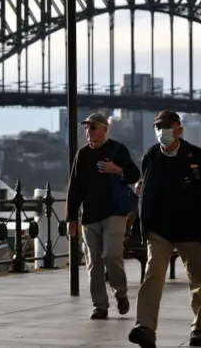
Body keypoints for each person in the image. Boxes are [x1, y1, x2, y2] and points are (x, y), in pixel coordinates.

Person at [128, 111, 201, 348]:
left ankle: (200, 329)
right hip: (159, 228)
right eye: (158, 127)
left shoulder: (196, 156)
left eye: (167, 126)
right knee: (152, 275)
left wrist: (199, 216)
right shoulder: (151, 156)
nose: (161, 131)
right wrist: (144, 228)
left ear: (179, 129)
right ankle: (145, 327)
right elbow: (145, 190)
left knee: (198, 280)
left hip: (191, 227)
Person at [66, 112, 141, 320]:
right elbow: (75, 188)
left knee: (111, 255)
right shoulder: (82, 155)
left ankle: (121, 293)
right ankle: (100, 305)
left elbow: (135, 175)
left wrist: (116, 170)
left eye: (92, 127)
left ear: (104, 129)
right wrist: (71, 219)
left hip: (114, 213)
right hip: (89, 216)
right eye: (86, 128)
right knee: (93, 262)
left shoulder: (117, 149)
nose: (88, 132)